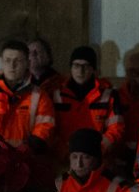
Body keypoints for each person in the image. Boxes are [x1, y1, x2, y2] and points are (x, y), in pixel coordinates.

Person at [0, 40, 56, 152]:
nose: (12, 65)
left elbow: (44, 129)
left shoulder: (40, 97)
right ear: (2, 62)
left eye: (18, 60)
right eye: (7, 60)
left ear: (27, 63)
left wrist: (27, 149)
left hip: (25, 161)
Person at [51, 46, 124, 176]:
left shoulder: (108, 95)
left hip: (98, 165)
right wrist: (65, 153)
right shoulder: (57, 94)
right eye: (76, 65)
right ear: (71, 68)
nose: (80, 70)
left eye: (86, 66)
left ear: (93, 69)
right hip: (64, 163)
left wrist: (95, 152)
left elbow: (116, 129)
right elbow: (50, 128)